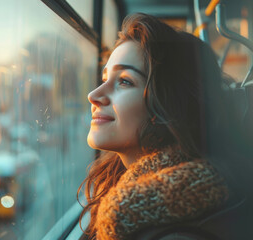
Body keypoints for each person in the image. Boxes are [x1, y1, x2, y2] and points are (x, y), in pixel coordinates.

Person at [77, 13, 252, 240]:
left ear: (169, 104)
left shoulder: (177, 232)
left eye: (124, 81)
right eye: (104, 79)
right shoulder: (117, 182)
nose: (94, 95)